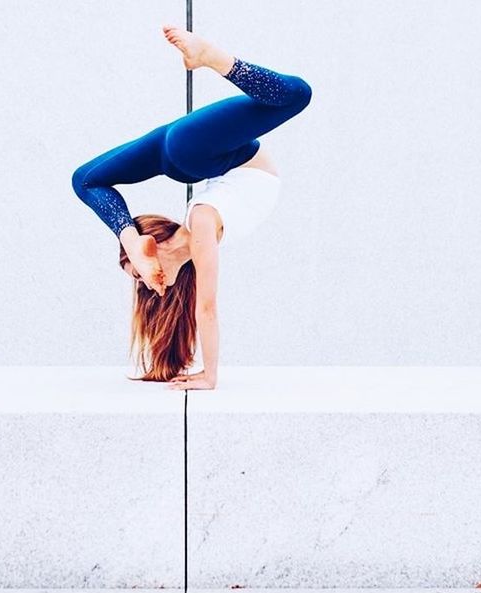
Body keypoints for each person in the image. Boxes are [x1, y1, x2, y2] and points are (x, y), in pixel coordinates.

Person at [71, 25, 312, 390]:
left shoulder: (200, 221)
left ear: (158, 244)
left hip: (196, 153)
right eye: (140, 275)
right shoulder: (201, 225)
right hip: (192, 154)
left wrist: (211, 376)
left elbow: (208, 308)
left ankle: (211, 57)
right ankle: (130, 239)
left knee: (298, 94)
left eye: (139, 275)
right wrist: (207, 374)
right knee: (84, 179)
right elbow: (206, 306)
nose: (151, 286)